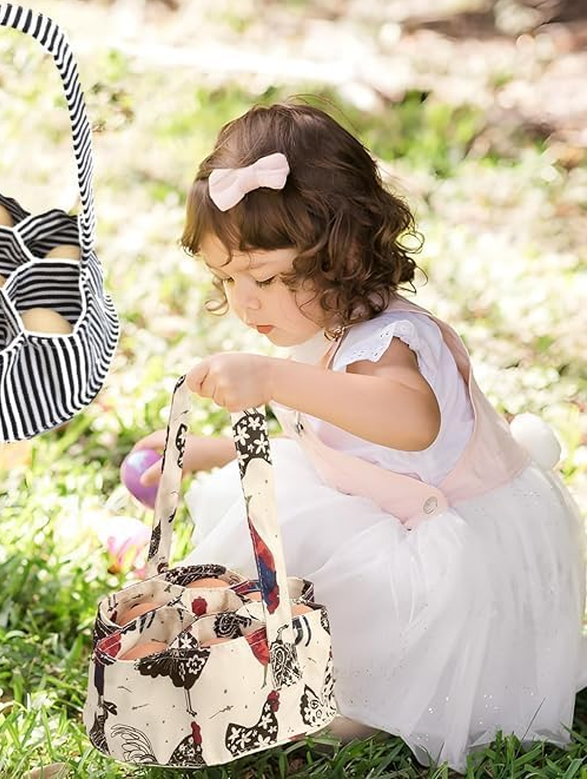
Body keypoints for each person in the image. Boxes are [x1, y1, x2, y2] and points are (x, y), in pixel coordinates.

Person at [131, 102, 586, 772]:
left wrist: (271, 378)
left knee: (351, 581)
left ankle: (359, 702)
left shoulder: (391, 344)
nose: (244, 302)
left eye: (262, 278)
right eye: (225, 279)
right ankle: (288, 663)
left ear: (340, 252)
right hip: (390, 501)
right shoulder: (323, 326)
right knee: (278, 524)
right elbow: (321, 435)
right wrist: (209, 452)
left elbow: (408, 423)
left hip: (453, 539)